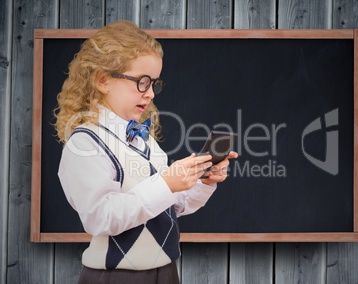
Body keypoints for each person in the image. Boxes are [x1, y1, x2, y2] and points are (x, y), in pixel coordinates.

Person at [54, 20, 237, 283]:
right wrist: (165, 183)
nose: (150, 93)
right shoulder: (85, 143)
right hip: (115, 277)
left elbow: (171, 206)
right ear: (103, 80)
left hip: (165, 271)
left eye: (154, 83)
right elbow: (100, 218)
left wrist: (203, 180)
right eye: (142, 82)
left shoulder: (144, 139)